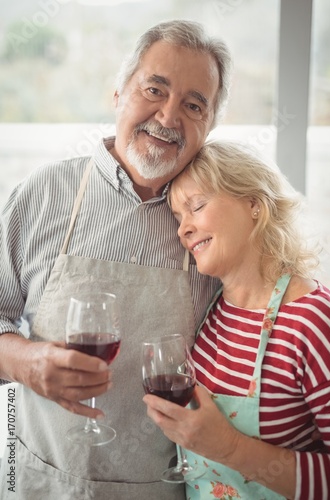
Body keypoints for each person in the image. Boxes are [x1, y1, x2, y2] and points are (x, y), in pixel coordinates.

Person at [0, 21, 232, 499]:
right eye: (154, 89)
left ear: (209, 126)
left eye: (194, 105)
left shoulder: (214, 222)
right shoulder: (42, 193)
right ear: (119, 93)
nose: (168, 117)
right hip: (43, 482)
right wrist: (26, 361)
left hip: (160, 489)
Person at [143, 140, 330, 499]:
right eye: (178, 217)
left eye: (196, 206)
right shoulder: (212, 308)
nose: (183, 229)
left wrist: (229, 447)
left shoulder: (312, 320)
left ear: (254, 205)